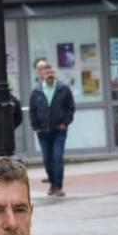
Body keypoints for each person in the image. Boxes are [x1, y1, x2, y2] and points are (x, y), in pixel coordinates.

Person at [30, 56, 76, 197]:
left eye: (50, 72)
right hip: (43, 130)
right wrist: (36, 126)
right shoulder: (36, 90)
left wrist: (65, 123)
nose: (48, 75)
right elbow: (33, 110)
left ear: (53, 73)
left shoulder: (63, 89)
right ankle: (52, 182)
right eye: (45, 72)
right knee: (47, 158)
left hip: (59, 130)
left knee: (57, 157)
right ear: (42, 74)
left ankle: (58, 186)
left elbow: (70, 107)